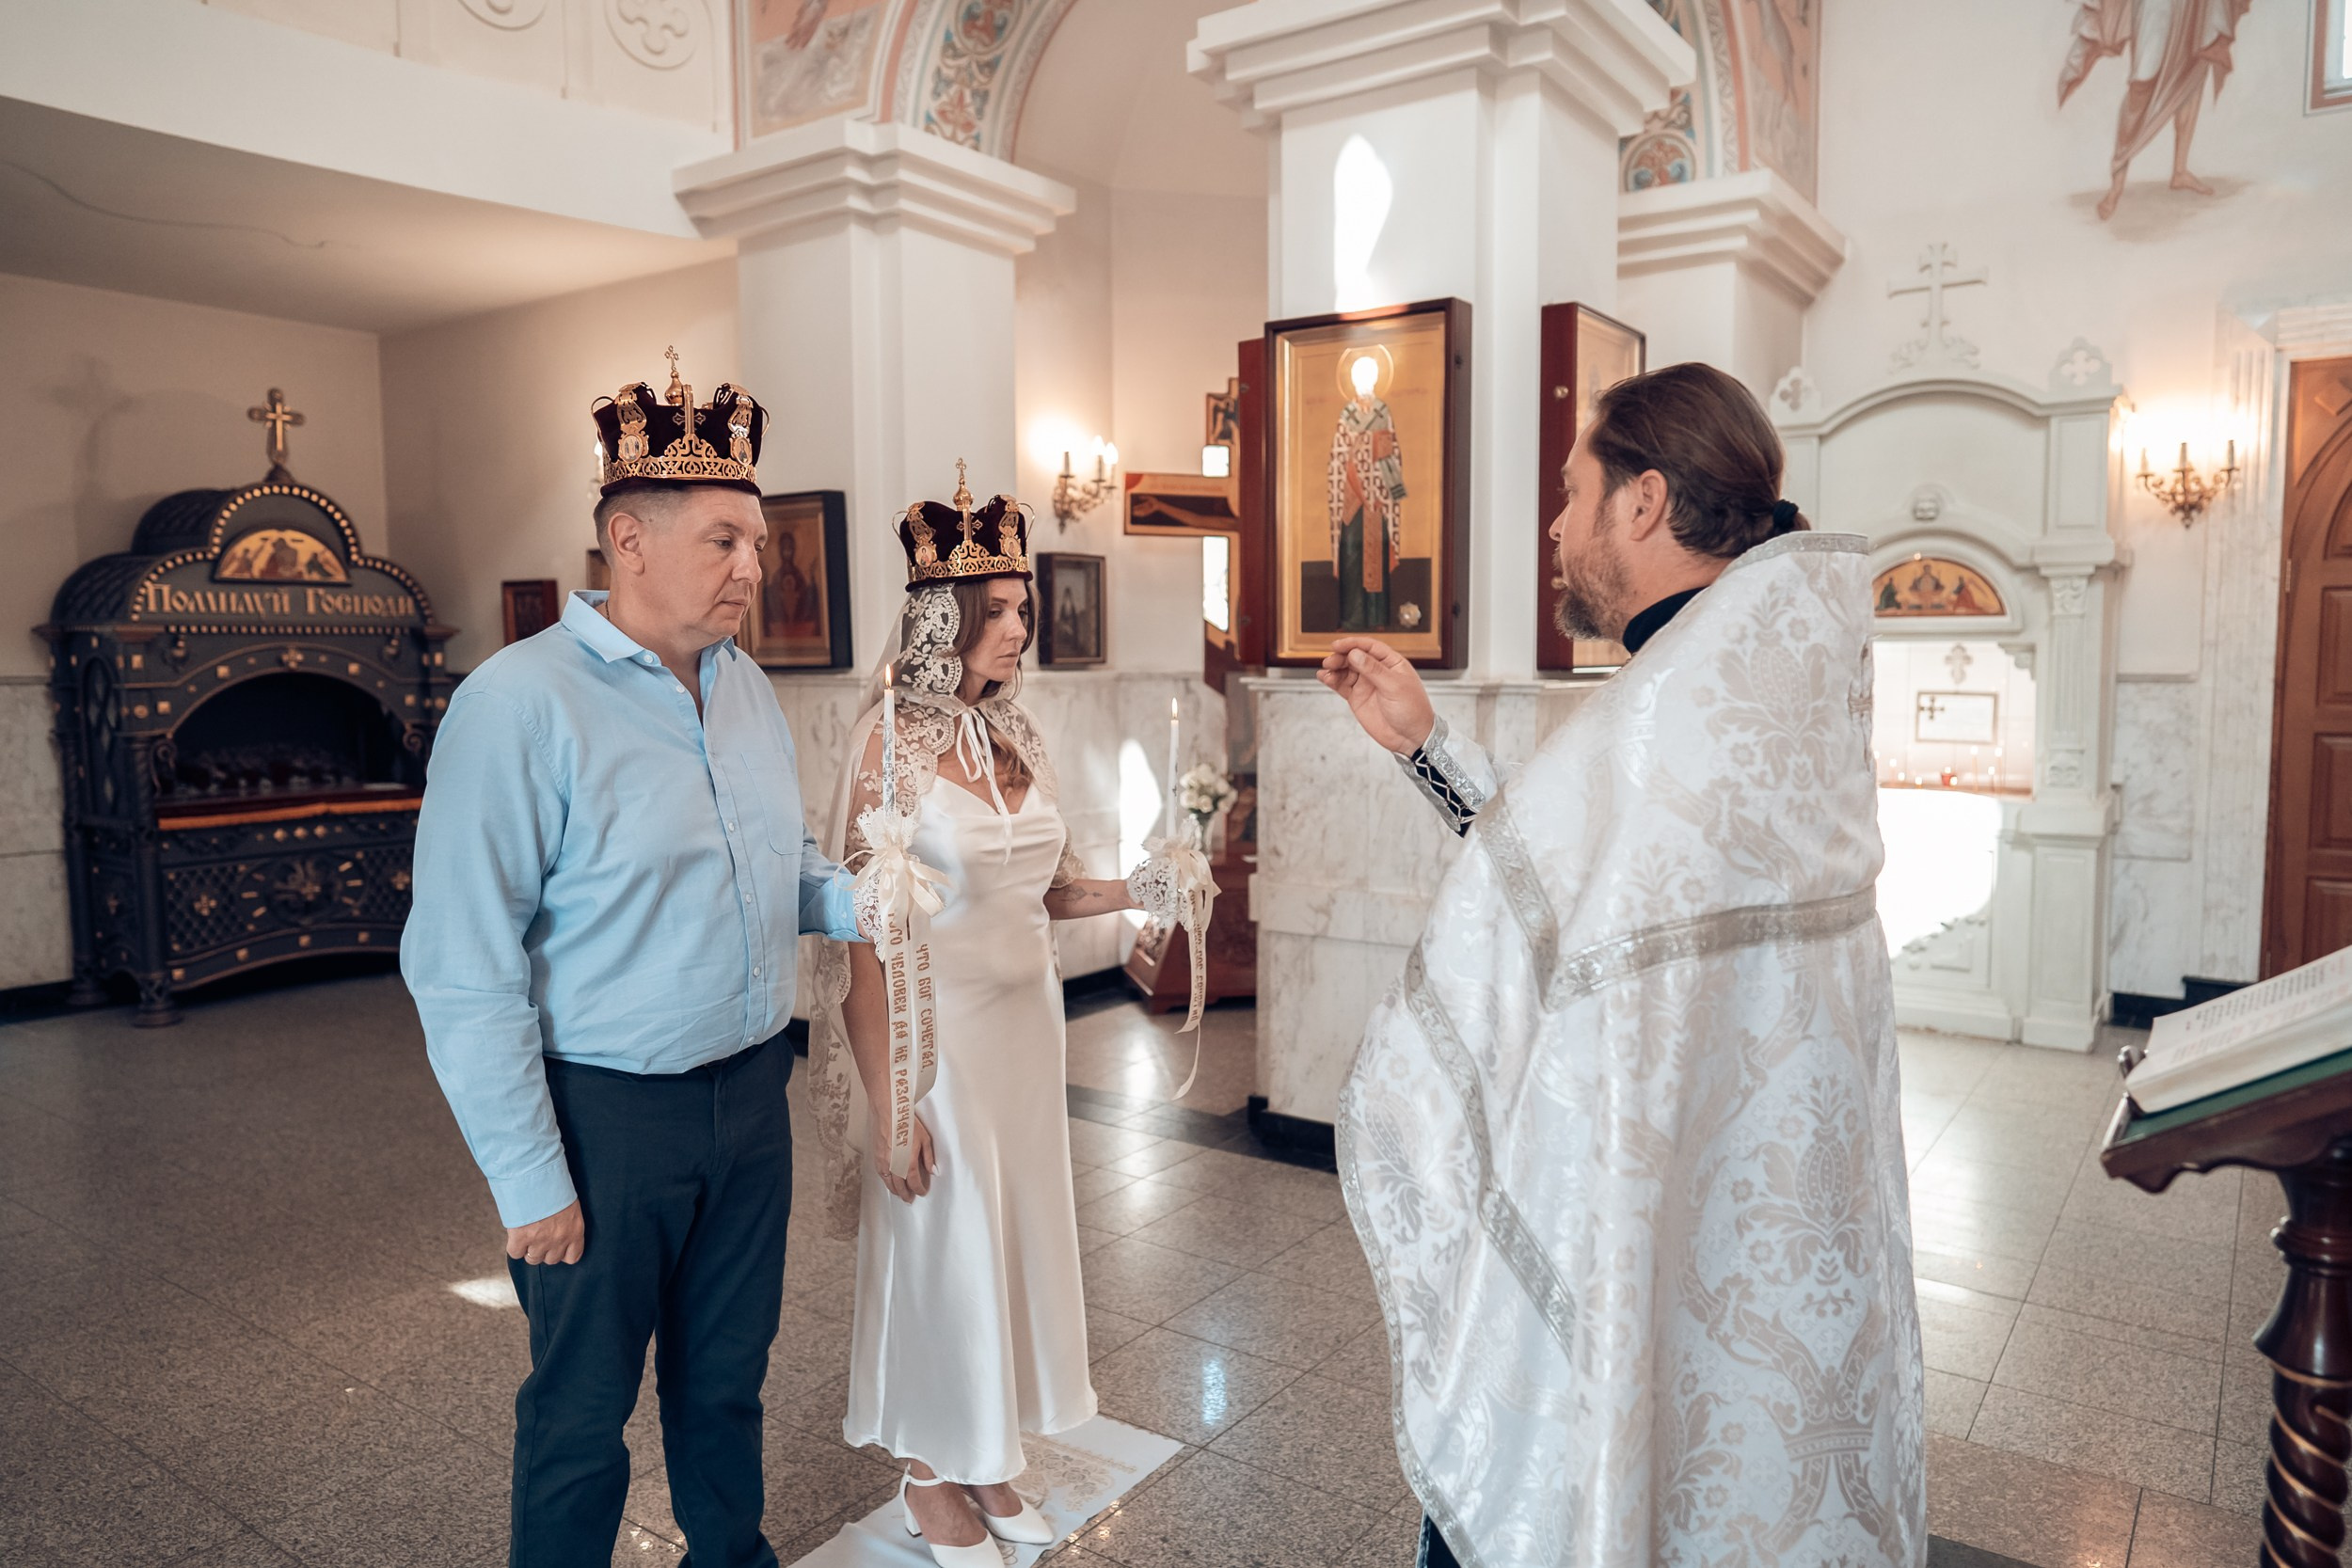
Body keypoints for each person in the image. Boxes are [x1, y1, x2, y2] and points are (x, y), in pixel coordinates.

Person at [1318, 362, 1922, 1568]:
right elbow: (1581, 874)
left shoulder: (1668, 710)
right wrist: (1427, 744)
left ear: (1642, 500)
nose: (1553, 525)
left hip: (1632, 1211)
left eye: (1569, 490)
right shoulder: (1765, 685)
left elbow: (1554, 897)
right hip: (1767, 1239)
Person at [403, 355, 864, 1568]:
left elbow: (780, 866)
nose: (753, 567)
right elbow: (460, 962)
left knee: (726, 1377)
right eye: (725, 540)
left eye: (758, 543)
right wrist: (528, 1177)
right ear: (628, 539)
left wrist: (870, 901)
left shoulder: (745, 686)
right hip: (604, 1116)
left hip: (748, 1095)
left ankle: (732, 1554)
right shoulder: (519, 704)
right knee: (580, 1410)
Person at [803, 467, 1185, 1566]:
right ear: (946, 617)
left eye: (1022, 608)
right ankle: (928, 1468)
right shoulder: (886, 741)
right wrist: (890, 1103)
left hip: (1026, 1031)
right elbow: (862, 943)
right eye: (1003, 610)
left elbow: (1045, 891)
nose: (1022, 628)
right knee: (941, 1242)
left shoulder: (1017, 730)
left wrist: (1142, 887)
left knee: (1007, 1239)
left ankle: (984, 1448)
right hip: (937, 1042)